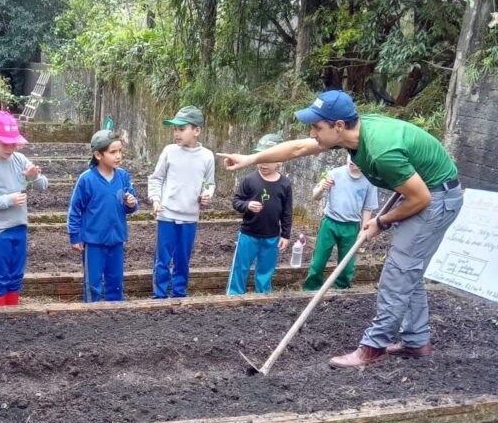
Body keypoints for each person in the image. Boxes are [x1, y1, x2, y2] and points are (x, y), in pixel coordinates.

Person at [217, 90, 462, 368]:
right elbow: (298, 148)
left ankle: (374, 346)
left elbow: (421, 199)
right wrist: (249, 159)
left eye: (317, 127)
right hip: (423, 188)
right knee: (409, 270)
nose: (312, 133)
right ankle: (416, 341)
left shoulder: (382, 152)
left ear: (339, 126)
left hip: (436, 198)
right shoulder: (351, 134)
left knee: (399, 272)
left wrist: (380, 222)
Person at [0, 111, 49, 306]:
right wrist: (9, 200)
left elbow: (44, 186)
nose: (10, 148)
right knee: (0, 276)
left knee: (16, 274)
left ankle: (12, 311)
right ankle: (0, 313)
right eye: (5, 143)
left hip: (19, 226)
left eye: (13, 143)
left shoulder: (20, 159)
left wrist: (34, 176)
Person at [148, 106, 216, 298]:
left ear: (196, 130)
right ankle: (159, 295)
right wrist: (155, 199)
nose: (176, 133)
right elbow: (156, 178)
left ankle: (179, 293)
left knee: (182, 258)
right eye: (175, 129)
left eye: (181, 128)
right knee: (163, 258)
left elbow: (209, 183)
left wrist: (206, 194)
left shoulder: (207, 156)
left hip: (190, 217)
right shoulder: (169, 151)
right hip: (167, 215)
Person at [67, 130, 138, 303]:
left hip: (116, 239)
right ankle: (92, 310)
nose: (118, 156)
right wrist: (75, 236)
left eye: (120, 151)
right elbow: (75, 209)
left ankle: (115, 310)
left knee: (115, 281)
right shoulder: (87, 180)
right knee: (93, 282)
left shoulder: (122, 176)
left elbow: (131, 204)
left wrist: (131, 203)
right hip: (94, 241)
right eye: (113, 152)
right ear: (98, 154)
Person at [225, 134, 293, 295]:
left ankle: (263, 295)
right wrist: (247, 205)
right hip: (248, 234)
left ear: (280, 160)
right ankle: (234, 294)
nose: (263, 163)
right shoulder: (249, 180)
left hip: (271, 236)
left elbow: (287, 212)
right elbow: (236, 202)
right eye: (260, 157)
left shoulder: (285, 184)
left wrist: (285, 235)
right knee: (240, 266)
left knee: (266, 268)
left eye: (268, 158)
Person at [303, 155, 378, 291]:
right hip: (330, 222)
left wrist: (363, 229)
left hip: (351, 226)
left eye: (357, 159)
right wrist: (322, 188)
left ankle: (341, 289)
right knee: (319, 259)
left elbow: (368, 207)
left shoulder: (369, 181)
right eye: (350, 157)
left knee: (347, 263)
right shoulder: (335, 173)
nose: (352, 162)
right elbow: (315, 196)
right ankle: (311, 288)